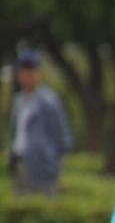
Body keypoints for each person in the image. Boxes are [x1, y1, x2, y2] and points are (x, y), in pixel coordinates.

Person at [9, 49, 73, 195]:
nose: (26, 78)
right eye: (23, 73)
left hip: (43, 165)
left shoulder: (49, 101)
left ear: (38, 75)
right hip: (20, 160)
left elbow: (62, 136)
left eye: (30, 73)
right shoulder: (18, 101)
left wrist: (53, 162)